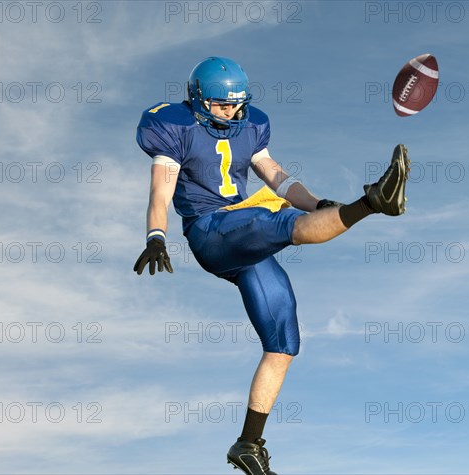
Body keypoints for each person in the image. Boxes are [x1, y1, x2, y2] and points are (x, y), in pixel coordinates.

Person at [134, 56, 410, 475]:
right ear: (196, 100)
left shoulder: (252, 125)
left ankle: (248, 443)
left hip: (245, 238)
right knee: (279, 222)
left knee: (283, 343)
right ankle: (372, 202)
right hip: (211, 230)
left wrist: (317, 203)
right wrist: (156, 235)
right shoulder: (173, 127)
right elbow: (160, 192)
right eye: (219, 104)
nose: (229, 111)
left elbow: (278, 178)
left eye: (235, 104)